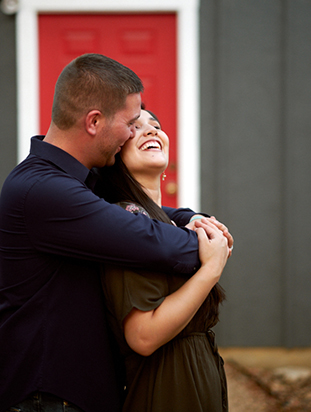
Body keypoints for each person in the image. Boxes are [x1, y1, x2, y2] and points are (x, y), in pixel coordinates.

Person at [0, 54, 230, 412]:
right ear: (94, 122)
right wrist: (211, 247)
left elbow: (146, 216)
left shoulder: (69, 186)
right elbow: (156, 242)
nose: (132, 133)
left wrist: (193, 217)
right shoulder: (44, 190)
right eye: (130, 124)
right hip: (48, 397)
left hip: (74, 394)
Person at [94, 107, 229, 411]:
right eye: (135, 128)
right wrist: (210, 269)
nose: (151, 130)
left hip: (197, 377)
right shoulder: (128, 226)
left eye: (155, 125)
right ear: (114, 152)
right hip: (164, 388)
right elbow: (142, 336)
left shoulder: (168, 227)